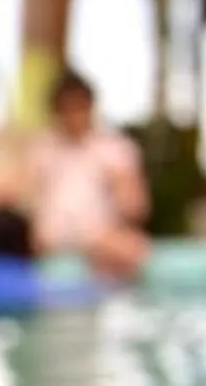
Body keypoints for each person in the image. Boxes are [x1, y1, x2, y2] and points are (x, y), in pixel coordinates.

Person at [30, 68, 150, 282]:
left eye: (78, 107)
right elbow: (27, 198)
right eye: (66, 108)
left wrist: (123, 190)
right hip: (51, 237)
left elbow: (136, 207)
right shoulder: (43, 148)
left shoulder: (114, 148)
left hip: (99, 237)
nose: (73, 115)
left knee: (132, 249)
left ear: (90, 106)